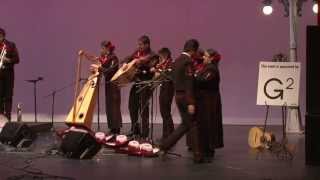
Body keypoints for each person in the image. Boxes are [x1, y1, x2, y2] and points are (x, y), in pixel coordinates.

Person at [160, 39, 202, 163]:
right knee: (193, 125)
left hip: (178, 95)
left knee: (185, 125)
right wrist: (191, 102)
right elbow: (189, 83)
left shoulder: (177, 61)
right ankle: (197, 155)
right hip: (185, 97)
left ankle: (165, 145)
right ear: (192, 50)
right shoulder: (188, 62)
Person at [81, 40, 122, 134]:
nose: (101, 50)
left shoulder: (113, 58)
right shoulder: (105, 58)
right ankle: (112, 128)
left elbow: (110, 71)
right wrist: (85, 54)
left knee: (114, 107)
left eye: (102, 48)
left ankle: (117, 129)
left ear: (107, 48)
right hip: (108, 84)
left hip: (114, 85)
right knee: (109, 107)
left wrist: (98, 68)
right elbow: (95, 59)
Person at [123, 35, 157, 138]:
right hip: (137, 82)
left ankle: (145, 132)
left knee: (144, 108)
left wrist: (141, 62)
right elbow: (128, 58)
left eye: (141, 45)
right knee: (132, 105)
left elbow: (151, 67)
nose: (139, 46)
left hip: (146, 83)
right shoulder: (137, 53)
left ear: (147, 44)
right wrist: (125, 62)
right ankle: (135, 129)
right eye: (138, 44)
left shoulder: (153, 55)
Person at [194, 48, 224, 162]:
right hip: (205, 100)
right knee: (205, 124)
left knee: (210, 124)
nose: (203, 57)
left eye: (206, 56)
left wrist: (194, 76)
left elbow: (203, 80)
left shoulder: (212, 69)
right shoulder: (207, 67)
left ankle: (209, 150)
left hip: (210, 101)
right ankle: (205, 148)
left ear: (211, 58)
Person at [151, 47, 174, 140]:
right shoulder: (163, 64)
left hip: (168, 89)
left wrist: (158, 70)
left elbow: (167, 75)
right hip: (163, 88)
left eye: (161, 56)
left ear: (165, 55)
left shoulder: (171, 64)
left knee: (165, 112)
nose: (159, 58)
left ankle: (167, 134)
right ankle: (169, 133)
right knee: (164, 112)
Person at [0, 28, 20, 121]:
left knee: (8, 96)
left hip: (8, 74)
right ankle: (0, 118)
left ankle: (8, 118)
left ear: (3, 35)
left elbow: (17, 59)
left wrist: (8, 60)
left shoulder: (11, 45)